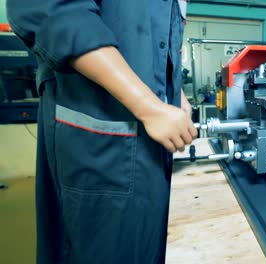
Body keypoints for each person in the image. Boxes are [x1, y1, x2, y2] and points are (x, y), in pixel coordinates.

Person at [6, 0, 197, 263]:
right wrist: (149, 106)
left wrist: (175, 93)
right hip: (99, 144)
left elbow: (152, 41)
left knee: (143, 246)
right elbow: (53, 11)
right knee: (100, 250)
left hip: (148, 149)